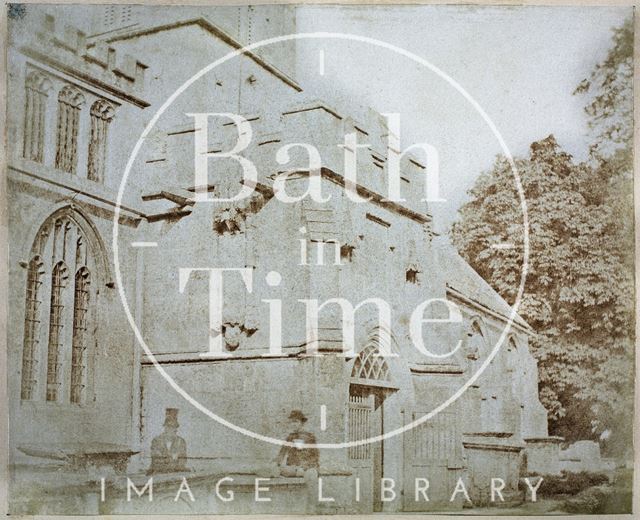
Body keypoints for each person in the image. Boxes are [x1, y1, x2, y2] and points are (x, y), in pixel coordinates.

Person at [276, 410, 319, 477]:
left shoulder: (309, 437)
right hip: (292, 468)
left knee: (307, 472)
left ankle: (304, 473)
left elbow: (314, 456)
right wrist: (277, 464)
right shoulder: (290, 437)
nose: (293, 424)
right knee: (280, 470)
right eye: (292, 422)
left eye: (296, 422)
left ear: (302, 423)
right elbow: (282, 453)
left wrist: (304, 467)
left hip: (305, 467)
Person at [147, 408, 188, 475]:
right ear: (165, 427)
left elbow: (182, 461)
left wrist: (168, 461)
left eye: (174, 427)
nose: (171, 430)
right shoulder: (156, 441)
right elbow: (156, 461)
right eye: (169, 427)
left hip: (174, 475)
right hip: (157, 475)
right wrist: (173, 458)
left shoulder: (181, 442)